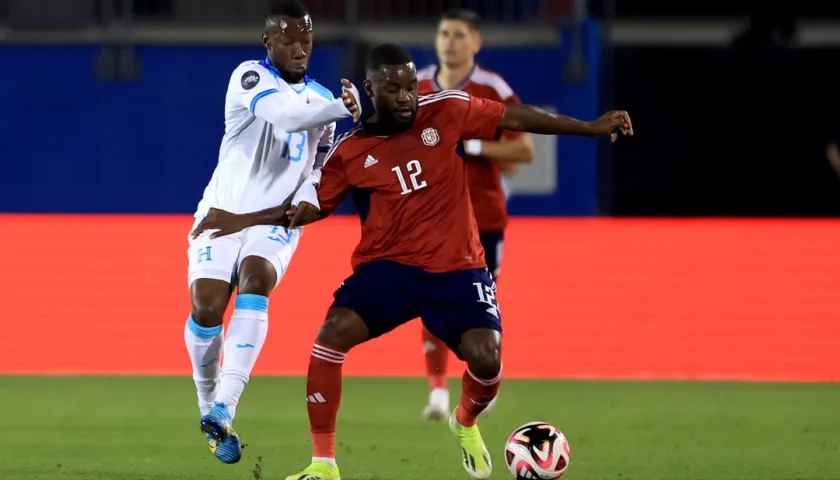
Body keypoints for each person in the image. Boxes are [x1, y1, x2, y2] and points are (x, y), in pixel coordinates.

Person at [190, 43, 632, 480]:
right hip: (389, 270)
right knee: (330, 337)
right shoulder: (350, 151)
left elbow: (512, 117)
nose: (406, 97)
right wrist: (240, 219)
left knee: (487, 358)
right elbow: (306, 210)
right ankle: (324, 464)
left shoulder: (447, 109)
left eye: (410, 87)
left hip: (458, 267)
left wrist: (590, 128)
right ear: (370, 89)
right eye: (394, 88)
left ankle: (464, 421)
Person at [183, 0, 361, 465]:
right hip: (222, 212)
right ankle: (207, 406)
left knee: (256, 279)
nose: (300, 48)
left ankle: (225, 405)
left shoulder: (322, 98)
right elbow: (284, 117)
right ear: (268, 41)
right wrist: (341, 109)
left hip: (272, 221)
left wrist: (311, 191)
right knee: (206, 309)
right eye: (289, 39)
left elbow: (322, 161)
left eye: (306, 39)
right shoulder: (250, 77)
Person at [416, 8, 535, 421]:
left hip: (482, 217)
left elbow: (524, 150)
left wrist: (476, 148)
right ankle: (436, 391)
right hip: (430, 217)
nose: (449, 41)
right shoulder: (416, 86)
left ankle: (481, 376)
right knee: (430, 297)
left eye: (459, 34)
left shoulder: (492, 88)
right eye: (444, 32)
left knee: (478, 304)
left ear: (475, 42)